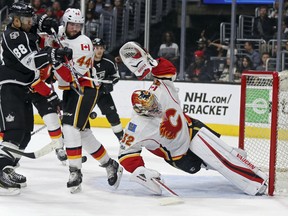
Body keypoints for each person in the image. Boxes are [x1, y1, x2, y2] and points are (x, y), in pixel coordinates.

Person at [117, 41, 268, 196]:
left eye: (154, 103)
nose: (156, 107)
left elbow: (169, 71)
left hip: (191, 130)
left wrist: (152, 63)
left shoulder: (160, 90)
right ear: (141, 111)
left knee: (220, 155)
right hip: (179, 155)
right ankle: (221, 160)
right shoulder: (137, 126)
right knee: (204, 164)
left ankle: (256, 182)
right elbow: (125, 154)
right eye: (151, 108)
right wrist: (141, 172)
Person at [0, 2, 72, 195]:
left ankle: (7, 167)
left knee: (24, 135)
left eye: (30, 19)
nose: (30, 22)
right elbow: (30, 61)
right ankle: (0, 172)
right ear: (15, 20)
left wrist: (45, 21)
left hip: (23, 87)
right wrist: (54, 53)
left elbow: (36, 24)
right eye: (26, 19)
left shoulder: (23, 27)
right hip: (9, 86)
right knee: (14, 132)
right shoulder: (12, 36)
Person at [55, 8, 123, 193]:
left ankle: (75, 171)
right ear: (65, 23)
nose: (75, 28)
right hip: (71, 91)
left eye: (78, 25)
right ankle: (110, 164)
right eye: (72, 24)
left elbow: (73, 76)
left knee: (70, 128)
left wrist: (55, 62)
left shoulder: (84, 44)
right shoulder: (61, 33)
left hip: (84, 88)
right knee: (83, 133)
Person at [92, 38, 124, 141]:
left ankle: (121, 139)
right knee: (79, 117)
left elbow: (116, 76)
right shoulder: (85, 60)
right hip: (87, 93)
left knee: (113, 115)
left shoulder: (109, 60)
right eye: (96, 48)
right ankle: (72, 141)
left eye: (101, 48)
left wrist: (109, 82)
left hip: (102, 93)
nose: (99, 51)